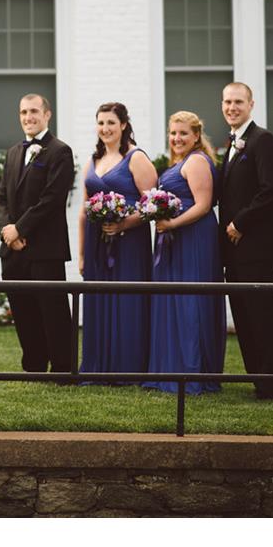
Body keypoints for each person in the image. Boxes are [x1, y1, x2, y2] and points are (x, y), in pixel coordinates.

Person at [144, 110, 226, 394]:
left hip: (194, 240)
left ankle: (193, 373)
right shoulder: (178, 162)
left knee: (190, 302)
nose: (177, 138)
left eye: (183, 134)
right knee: (172, 301)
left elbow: (203, 206)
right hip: (175, 239)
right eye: (173, 133)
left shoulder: (197, 162)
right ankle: (170, 369)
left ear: (196, 137)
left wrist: (171, 223)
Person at [0, 93, 76, 374]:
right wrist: (9, 231)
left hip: (45, 247)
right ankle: (34, 365)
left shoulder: (60, 151)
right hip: (13, 248)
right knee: (23, 309)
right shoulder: (13, 151)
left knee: (52, 311)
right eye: (23, 112)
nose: (28, 117)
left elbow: (52, 199)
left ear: (47, 115)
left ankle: (63, 368)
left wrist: (21, 228)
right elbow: (1, 196)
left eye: (33, 111)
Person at [78, 102, 156, 383]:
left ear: (123, 125)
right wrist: (83, 254)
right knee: (98, 302)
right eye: (101, 123)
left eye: (111, 123)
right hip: (97, 245)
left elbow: (152, 205)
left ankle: (129, 368)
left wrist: (123, 223)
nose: (105, 129)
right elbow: (83, 211)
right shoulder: (92, 160)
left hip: (129, 244)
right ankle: (99, 367)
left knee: (127, 302)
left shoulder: (136, 158)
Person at [219, 82, 273, 400]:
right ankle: (257, 380)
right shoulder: (232, 143)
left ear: (251, 104)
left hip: (257, 248)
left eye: (238, 102)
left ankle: (271, 383)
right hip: (234, 251)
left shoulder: (263, 140)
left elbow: (272, 190)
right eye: (227, 102)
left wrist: (240, 223)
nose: (232, 107)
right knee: (244, 316)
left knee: (262, 315)